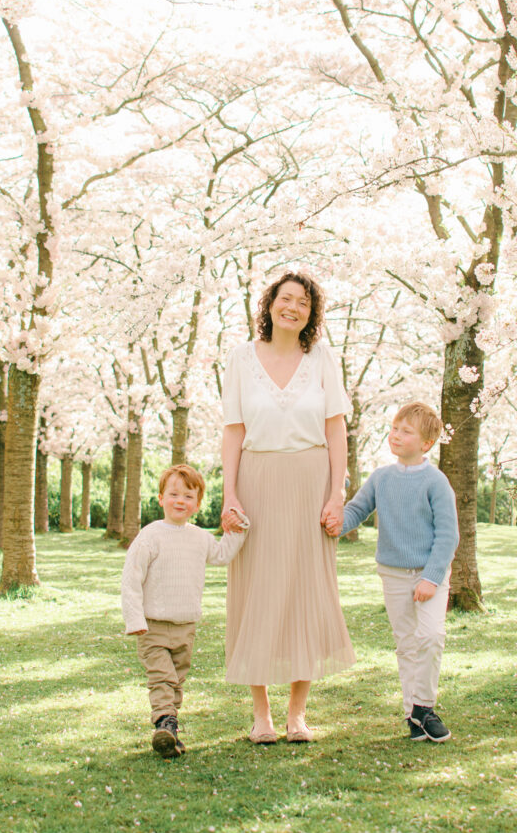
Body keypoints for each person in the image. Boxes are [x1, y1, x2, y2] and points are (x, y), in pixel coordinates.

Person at [221, 269, 355, 743]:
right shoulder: (240, 358)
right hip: (256, 480)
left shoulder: (322, 359)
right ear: (270, 304)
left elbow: (336, 428)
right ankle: (261, 715)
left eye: (302, 302)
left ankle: (298, 713)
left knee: (307, 590)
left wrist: (336, 493)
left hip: (310, 481)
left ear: (310, 314)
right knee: (255, 588)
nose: (292, 307)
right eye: (285, 298)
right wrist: (230, 493)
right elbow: (234, 431)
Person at [326, 402, 459, 742]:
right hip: (394, 574)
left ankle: (424, 706)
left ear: (426, 443)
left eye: (406, 431)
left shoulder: (436, 482)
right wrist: (331, 524)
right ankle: (412, 715)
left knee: (430, 636)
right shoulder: (381, 478)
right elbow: (356, 510)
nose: (396, 435)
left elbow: (448, 535)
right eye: (395, 428)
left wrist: (431, 578)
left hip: (430, 575)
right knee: (406, 645)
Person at [121, 463, 248, 758]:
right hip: (152, 625)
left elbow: (222, 554)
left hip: (185, 625)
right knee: (161, 678)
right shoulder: (150, 536)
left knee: (176, 681)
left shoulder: (199, 537)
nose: (181, 501)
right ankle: (164, 722)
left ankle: (170, 731)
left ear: (197, 504)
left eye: (188, 496)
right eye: (174, 494)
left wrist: (238, 529)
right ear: (161, 498)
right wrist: (135, 618)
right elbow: (131, 578)